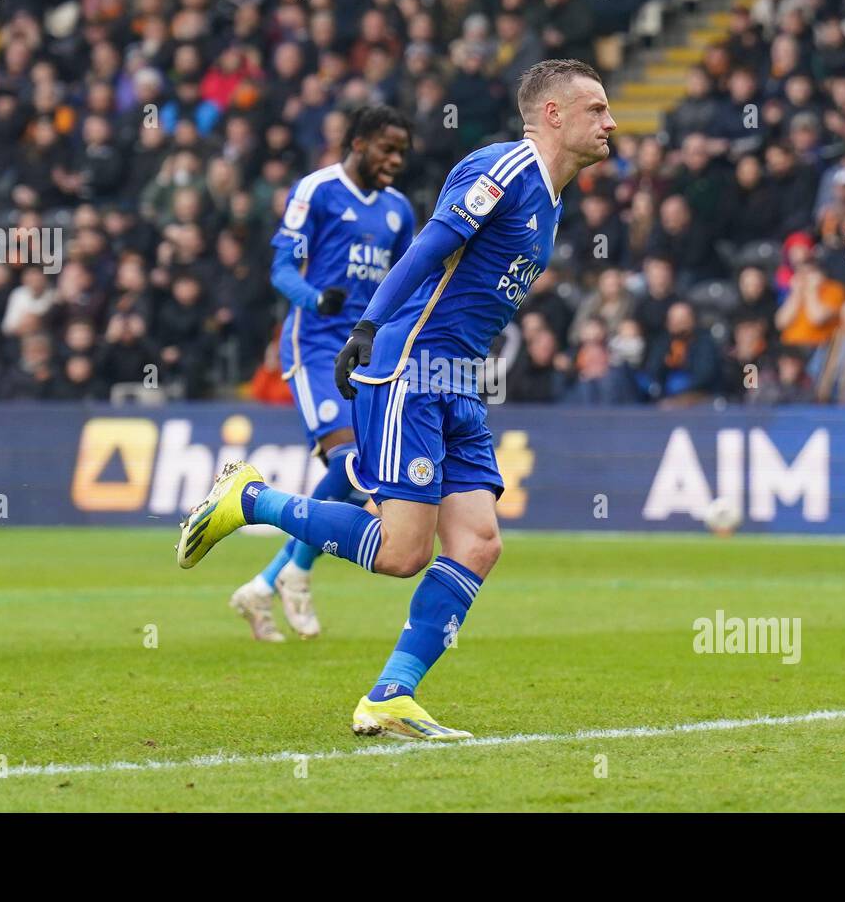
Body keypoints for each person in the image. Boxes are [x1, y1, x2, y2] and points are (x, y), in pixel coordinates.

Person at [177, 59, 616, 740]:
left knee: (477, 543)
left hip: (458, 383)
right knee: (401, 552)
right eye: (596, 109)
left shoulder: (553, 200)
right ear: (553, 114)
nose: (611, 123)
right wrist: (367, 326)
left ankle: (390, 695)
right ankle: (249, 501)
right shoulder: (504, 170)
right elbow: (427, 248)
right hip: (412, 370)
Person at [230, 105, 414, 643]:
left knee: (365, 474)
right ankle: (294, 574)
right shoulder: (318, 190)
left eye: (402, 152)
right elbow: (281, 267)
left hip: (367, 352)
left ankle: (270, 581)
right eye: (386, 148)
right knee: (350, 458)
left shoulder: (399, 211)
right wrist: (315, 299)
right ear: (357, 142)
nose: (395, 160)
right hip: (313, 345)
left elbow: (406, 281)